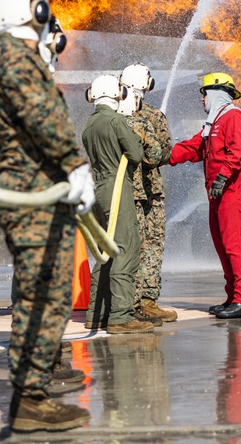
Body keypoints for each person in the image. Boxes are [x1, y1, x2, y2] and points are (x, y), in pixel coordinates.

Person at [0, 0, 95, 431]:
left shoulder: (20, 58)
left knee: (48, 294)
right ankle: (30, 398)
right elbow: (41, 116)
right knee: (42, 295)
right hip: (32, 192)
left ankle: (35, 389)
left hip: (39, 190)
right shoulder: (13, 57)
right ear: (34, 10)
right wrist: (75, 166)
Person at [170, 72, 241, 319]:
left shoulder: (234, 118)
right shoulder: (214, 123)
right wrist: (164, 156)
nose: (202, 99)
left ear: (217, 93)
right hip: (217, 192)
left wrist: (221, 177)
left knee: (235, 245)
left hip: (232, 189)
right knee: (222, 246)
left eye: (204, 93)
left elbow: (238, 152)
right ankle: (233, 297)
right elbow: (194, 147)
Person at [82, 74, 153, 333]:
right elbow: (135, 154)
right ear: (117, 95)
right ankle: (121, 317)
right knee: (125, 248)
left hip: (97, 189)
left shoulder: (90, 124)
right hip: (116, 187)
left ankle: (96, 314)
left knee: (105, 252)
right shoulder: (116, 121)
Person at [121, 63, 178, 323]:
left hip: (144, 190)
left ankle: (144, 301)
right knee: (142, 244)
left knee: (148, 243)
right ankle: (136, 302)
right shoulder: (149, 117)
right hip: (139, 190)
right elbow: (164, 153)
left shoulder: (145, 116)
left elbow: (164, 153)